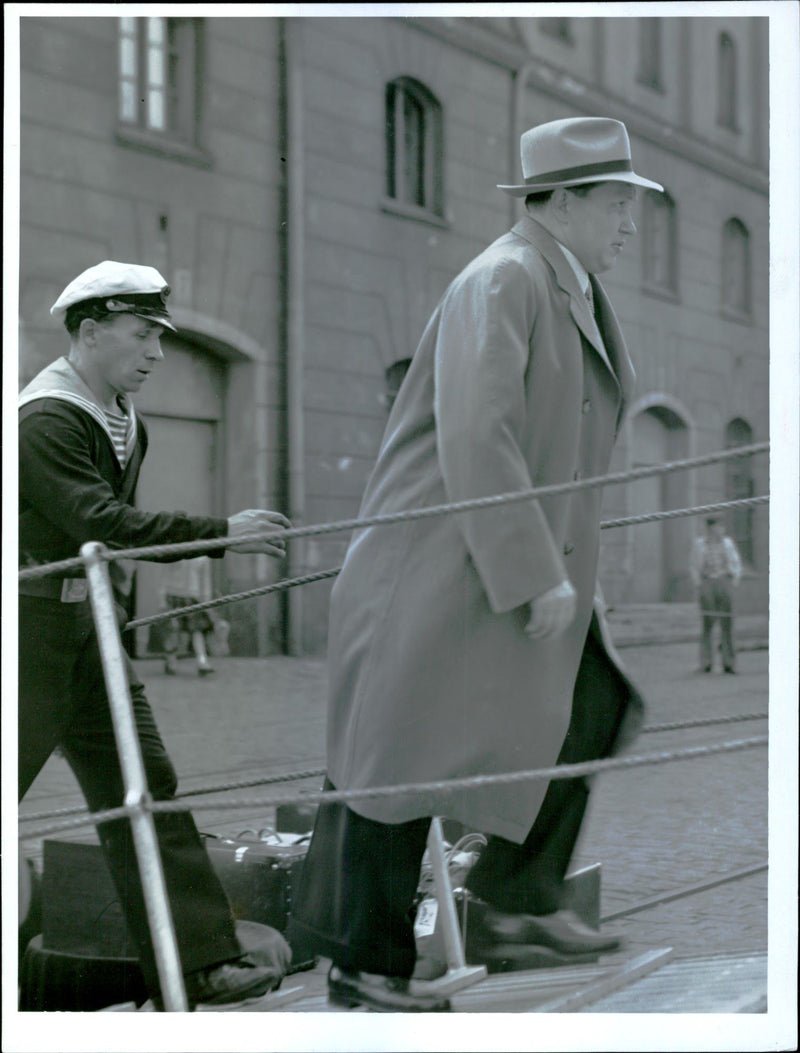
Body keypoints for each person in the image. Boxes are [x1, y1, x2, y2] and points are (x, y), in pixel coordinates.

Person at [287, 117, 654, 1012]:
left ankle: (513, 903)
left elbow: (551, 445)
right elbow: (480, 435)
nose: (630, 224)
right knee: (398, 762)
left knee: (590, 704)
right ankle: (366, 965)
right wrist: (537, 572)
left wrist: (561, 565)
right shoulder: (504, 278)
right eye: (616, 203)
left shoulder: (553, 280)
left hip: (481, 561)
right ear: (561, 201)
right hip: (436, 567)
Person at [18, 261, 291, 1009]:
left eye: (160, 337)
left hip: (88, 638)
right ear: (91, 330)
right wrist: (220, 534)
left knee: (146, 791)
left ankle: (197, 966)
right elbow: (103, 525)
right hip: (29, 641)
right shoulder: (46, 418)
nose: (156, 353)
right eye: (143, 335)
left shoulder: (118, 412)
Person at [689, 516, 742, 674]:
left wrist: (732, 580)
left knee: (727, 623)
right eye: (718, 527)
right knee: (707, 624)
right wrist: (700, 584)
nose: (721, 530)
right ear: (710, 528)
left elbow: (736, 563)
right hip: (707, 583)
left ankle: (729, 663)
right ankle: (706, 662)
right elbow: (693, 566)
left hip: (724, 581)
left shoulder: (728, 544)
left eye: (722, 527)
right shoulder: (700, 545)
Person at [160, 555, 219, 676]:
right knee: (173, 629)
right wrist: (162, 599)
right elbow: (165, 575)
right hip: (173, 594)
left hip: (192, 597)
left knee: (197, 629)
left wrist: (206, 602)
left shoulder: (203, 556)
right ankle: (170, 660)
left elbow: (205, 580)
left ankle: (202, 661)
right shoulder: (177, 548)